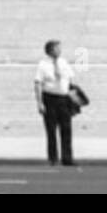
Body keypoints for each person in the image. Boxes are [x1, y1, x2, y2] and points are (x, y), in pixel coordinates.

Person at [34, 39, 78, 168]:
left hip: (64, 98)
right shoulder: (43, 65)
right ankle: (53, 158)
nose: (60, 50)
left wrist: (74, 98)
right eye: (57, 48)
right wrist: (40, 103)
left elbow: (70, 79)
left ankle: (67, 158)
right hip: (50, 99)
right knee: (51, 129)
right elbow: (38, 83)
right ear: (50, 50)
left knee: (66, 129)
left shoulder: (63, 62)